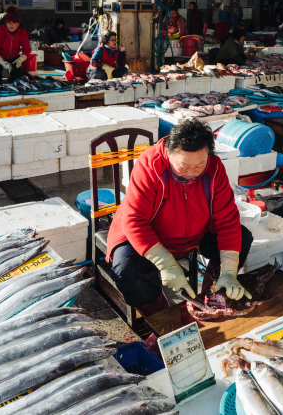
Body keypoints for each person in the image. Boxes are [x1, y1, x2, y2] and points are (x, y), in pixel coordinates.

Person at [105, 119, 254, 321]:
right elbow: (135, 221)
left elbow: (227, 220)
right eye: (183, 166)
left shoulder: (215, 169)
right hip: (150, 236)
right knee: (127, 270)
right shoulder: (150, 165)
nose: (192, 173)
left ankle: (209, 300)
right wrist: (164, 263)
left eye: (199, 165)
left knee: (242, 237)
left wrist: (229, 271)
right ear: (168, 153)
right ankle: (162, 319)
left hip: (196, 232)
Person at [0, 6, 31, 88]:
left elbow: (27, 49)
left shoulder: (22, 32)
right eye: (9, 23)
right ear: (5, 23)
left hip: (14, 56)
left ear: (18, 23)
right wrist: (2, 62)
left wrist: (21, 59)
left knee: (17, 79)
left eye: (14, 23)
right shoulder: (0, 30)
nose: (11, 25)